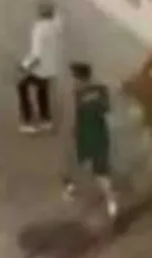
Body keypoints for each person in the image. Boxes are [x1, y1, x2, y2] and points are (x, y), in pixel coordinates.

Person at [64, 62, 119, 219]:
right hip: (100, 135)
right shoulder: (101, 90)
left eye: (74, 76)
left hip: (83, 136)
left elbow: (73, 118)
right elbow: (106, 111)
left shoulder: (76, 94)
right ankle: (111, 201)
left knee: (74, 163)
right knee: (101, 172)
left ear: (78, 77)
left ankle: (70, 187)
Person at [18, 0, 64, 133]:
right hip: (51, 68)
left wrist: (24, 66)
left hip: (39, 68)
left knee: (22, 85)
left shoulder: (39, 29)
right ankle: (45, 119)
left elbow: (36, 54)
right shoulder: (56, 27)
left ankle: (28, 120)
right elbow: (59, 19)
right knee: (42, 91)